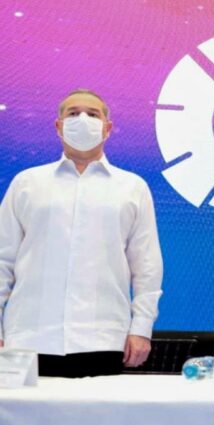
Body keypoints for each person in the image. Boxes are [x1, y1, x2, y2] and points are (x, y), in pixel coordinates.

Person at [0, 89, 163, 377]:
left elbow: (146, 265)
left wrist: (141, 328)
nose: (83, 119)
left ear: (107, 128)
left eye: (93, 114)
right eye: (73, 113)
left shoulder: (132, 187)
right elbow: (3, 259)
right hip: (28, 337)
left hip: (103, 338)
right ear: (59, 125)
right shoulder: (27, 183)